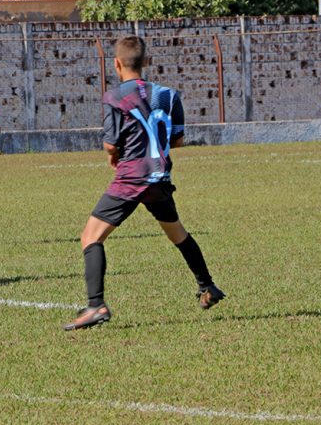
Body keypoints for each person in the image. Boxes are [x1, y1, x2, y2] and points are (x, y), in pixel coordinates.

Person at [64, 35, 225, 331]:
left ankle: (95, 305)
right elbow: (176, 140)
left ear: (115, 63)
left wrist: (118, 155)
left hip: (132, 176)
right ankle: (208, 286)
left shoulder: (114, 96)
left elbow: (110, 145)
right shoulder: (169, 95)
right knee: (178, 235)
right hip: (160, 176)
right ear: (147, 62)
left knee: (90, 237)